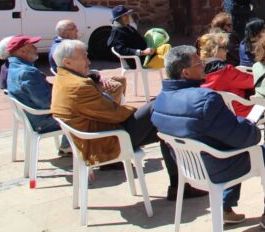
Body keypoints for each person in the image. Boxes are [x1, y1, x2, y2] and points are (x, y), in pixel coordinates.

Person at [152, 46, 265, 229]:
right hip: (216, 167)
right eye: (199, 63)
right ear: (186, 72)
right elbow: (246, 138)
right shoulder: (205, 99)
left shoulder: (160, 100)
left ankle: (226, 208)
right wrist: (250, 126)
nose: (204, 66)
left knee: (228, 144)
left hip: (189, 167)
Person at [50, 39, 206, 200]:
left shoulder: (64, 80)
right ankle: (181, 185)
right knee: (158, 106)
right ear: (68, 62)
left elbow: (104, 109)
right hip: (105, 141)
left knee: (165, 126)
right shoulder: (78, 86)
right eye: (84, 57)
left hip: (101, 134)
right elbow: (115, 114)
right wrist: (136, 110)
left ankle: (179, 185)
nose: (88, 61)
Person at [6, 35, 70, 153]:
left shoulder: (13, 68)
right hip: (42, 121)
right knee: (85, 111)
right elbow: (46, 102)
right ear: (22, 51)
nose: (36, 48)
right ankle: (71, 147)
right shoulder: (28, 72)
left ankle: (68, 146)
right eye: (32, 46)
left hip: (32, 118)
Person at [51, 19, 126, 103]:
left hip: (87, 77)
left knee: (121, 79)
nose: (77, 31)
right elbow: (74, 73)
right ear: (65, 33)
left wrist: (98, 76)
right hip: (82, 83)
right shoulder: (61, 48)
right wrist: (98, 78)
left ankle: (119, 105)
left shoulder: (67, 45)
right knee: (116, 86)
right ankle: (112, 109)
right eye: (74, 28)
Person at [198, 32, 255, 117]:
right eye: (224, 48)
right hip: (240, 112)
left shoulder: (198, 70)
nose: (227, 51)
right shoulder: (227, 70)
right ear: (215, 49)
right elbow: (253, 81)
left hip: (216, 114)